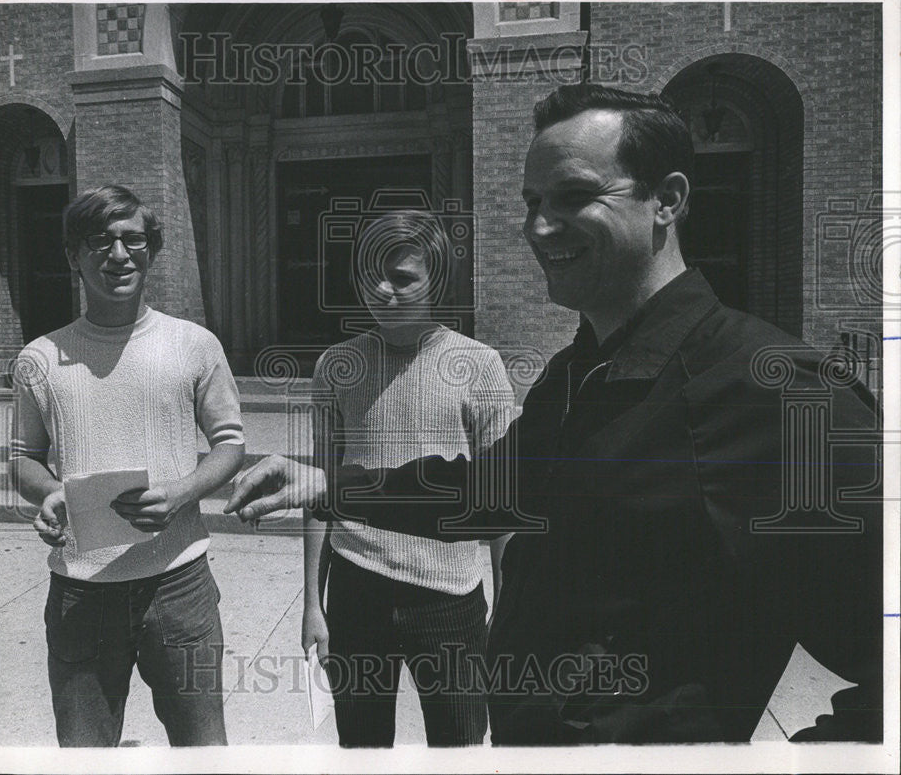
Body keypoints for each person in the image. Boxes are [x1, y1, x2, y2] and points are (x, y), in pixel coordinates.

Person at [226, 85, 883, 744]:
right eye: (533, 202)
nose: (539, 226)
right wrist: (329, 487)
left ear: (668, 199)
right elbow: (490, 491)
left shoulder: (777, 393)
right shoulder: (578, 374)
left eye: (574, 196)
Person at [9, 185, 244, 747]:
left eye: (133, 239)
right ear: (73, 256)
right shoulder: (40, 358)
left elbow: (230, 444)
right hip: (80, 591)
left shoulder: (194, 344)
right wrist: (48, 494)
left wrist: (182, 491)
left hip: (179, 583)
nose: (119, 254)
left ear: (151, 251)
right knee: (85, 751)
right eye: (100, 241)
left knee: (203, 749)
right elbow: (24, 459)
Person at [301, 210, 515, 747]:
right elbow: (321, 491)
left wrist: (510, 607)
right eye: (373, 274)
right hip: (357, 587)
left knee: (460, 747)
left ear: (435, 281)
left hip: (448, 595)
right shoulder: (337, 366)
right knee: (362, 747)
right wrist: (313, 604)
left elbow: (500, 501)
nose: (382, 290)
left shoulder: (479, 366)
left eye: (402, 277)